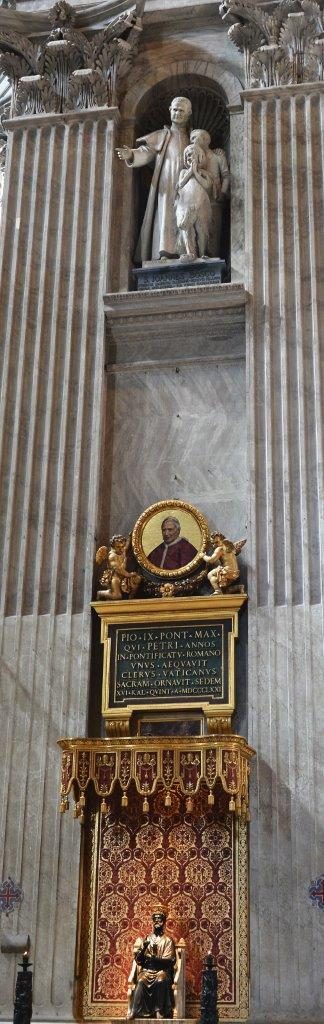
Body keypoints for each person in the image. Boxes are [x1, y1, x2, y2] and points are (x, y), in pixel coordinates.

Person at [116, 97, 192, 261]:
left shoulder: (193, 137)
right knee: (166, 212)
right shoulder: (162, 136)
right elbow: (147, 151)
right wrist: (132, 154)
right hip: (167, 179)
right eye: (175, 109)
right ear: (169, 110)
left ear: (189, 114)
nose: (177, 113)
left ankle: (188, 250)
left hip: (188, 182)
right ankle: (165, 251)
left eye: (182, 110)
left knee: (187, 212)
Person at [128, 910, 176, 1020]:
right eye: (155, 920)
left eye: (159, 919)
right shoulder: (147, 939)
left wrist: (153, 959)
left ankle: (159, 1010)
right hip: (147, 971)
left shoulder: (168, 940)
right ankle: (134, 1011)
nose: (157, 922)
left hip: (162, 971)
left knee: (161, 980)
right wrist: (144, 948)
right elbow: (139, 960)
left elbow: (169, 960)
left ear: (164, 922)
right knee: (140, 981)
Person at [175, 140, 213, 260]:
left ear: (199, 156)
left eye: (191, 154)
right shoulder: (183, 172)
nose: (189, 157)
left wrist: (196, 172)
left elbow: (207, 185)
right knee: (186, 228)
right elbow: (180, 184)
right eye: (187, 156)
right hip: (185, 203)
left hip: (201, 203)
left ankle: (202, 253)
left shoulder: (203, 173)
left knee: (202, 229)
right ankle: (190, 252)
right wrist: (191, 171)